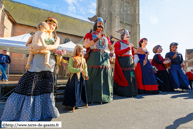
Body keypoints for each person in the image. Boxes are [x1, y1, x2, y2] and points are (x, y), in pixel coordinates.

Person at [0, 17, 60, 121]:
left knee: (46, 88)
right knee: (30, 85)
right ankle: (26, 112)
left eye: (54, 25)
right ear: (44, 24)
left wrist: (40, 49)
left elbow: (54, 47)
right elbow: (28, 45)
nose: (51, 25)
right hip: (36, 63)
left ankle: (44, 111)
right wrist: (31, 48)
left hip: (49, 63)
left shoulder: (56, 38)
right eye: (49, 23)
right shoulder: (38, 33)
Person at [84, 15, 114, 103]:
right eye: (99, 23)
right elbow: (86, 45)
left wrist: (111, 54)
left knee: (105, 76)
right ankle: (91, 97)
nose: (101, 24)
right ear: (95, 24)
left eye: (102, 23)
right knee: (93, 75)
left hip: (105, 57)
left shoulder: (106, 38)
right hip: (94, 56)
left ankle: (105, 97)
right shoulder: (89, 34)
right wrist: (97, 37)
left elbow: (111, 48)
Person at [63, 44, 88, 112]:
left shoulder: (83, 59)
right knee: (74, 91)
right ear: (76, 50)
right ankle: (72, 104)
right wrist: (77, 70)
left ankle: (81, 102)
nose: (80, 50)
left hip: (81, 77)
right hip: (74, 78)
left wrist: (86, 74)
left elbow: (85, 68)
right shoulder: (72, 58)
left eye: (81, 49)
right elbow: (70, 68)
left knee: (81, 90)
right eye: (79, 49)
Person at [113, 29, 137, 97]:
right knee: (124, 76)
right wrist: (128, 48)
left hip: (130, 62)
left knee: (131, 75)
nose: (128, 35)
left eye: (128, 35)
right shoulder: (118, 43)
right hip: (123, 61)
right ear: (122, 35)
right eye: (126, 34)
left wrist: (134, 61)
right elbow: (117, 52)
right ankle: (124, 92)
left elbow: (132, 54)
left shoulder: (130, 44)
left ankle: (132, 91)